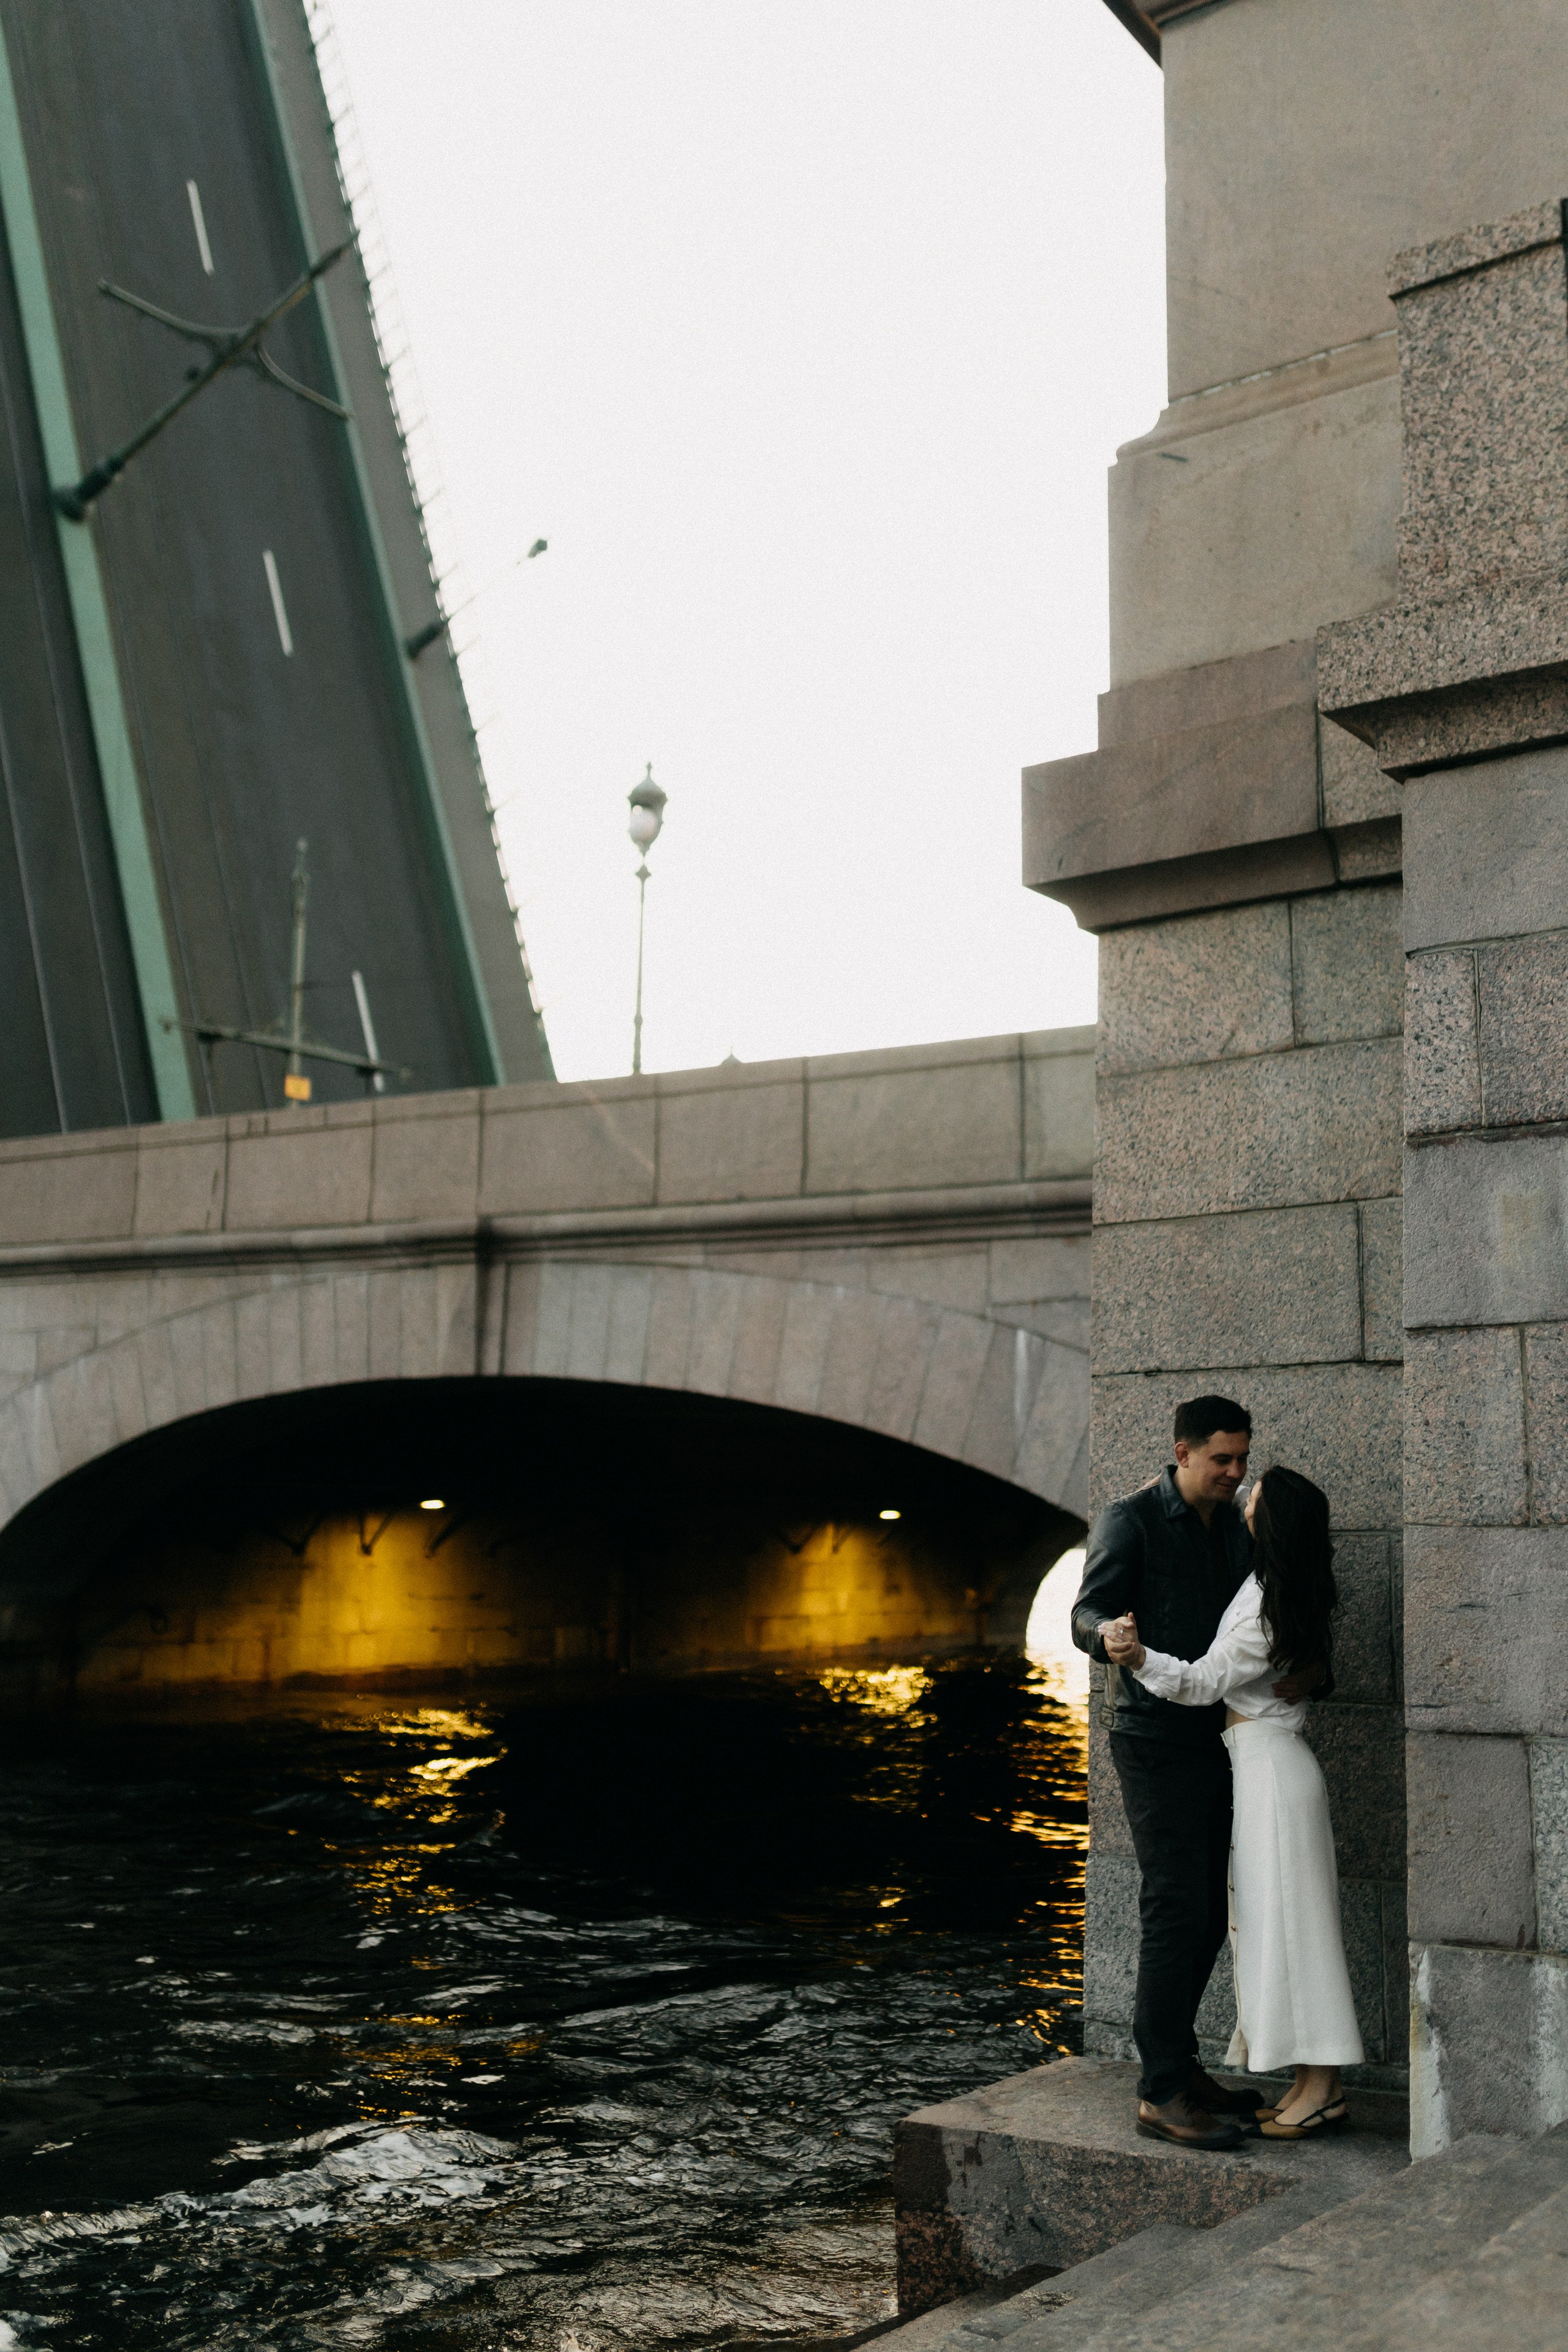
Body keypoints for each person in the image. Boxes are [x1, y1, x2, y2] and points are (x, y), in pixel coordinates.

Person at [1072, 1398, 1326, 2152]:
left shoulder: (1242, 1528)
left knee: (1210, 1916)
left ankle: (1180, 2068)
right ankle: (1159, 2092)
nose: (1235, 1474)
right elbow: (1086, 1611)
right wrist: (1107, 1634)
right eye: (1221, 1460)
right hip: (1154, 1741)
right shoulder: (1131, 1520)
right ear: (1181, 1452)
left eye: (1243, 1460)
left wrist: (1317, 1671)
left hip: (1224, 1742)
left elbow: (1281, 1613)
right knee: (1175, 1908)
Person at [1103, 1463, 1362, 2138]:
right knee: (1281, 1927)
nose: (1244, 1492)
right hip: (1263, 1767)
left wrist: (1136, 1661)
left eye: (1257, 1492)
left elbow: (1201, 1681)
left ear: (1268, 1520)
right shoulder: (1273, 1580)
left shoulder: (1270, 1595)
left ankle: (1323, 2088)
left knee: (1292, 1930)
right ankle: (1312, 2084)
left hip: (1271, 1774)